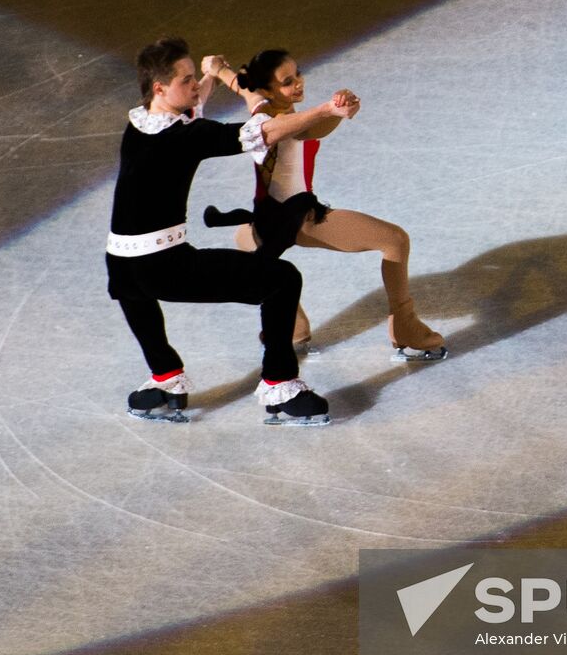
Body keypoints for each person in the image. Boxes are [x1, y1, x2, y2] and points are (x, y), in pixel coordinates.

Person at [106, 37, 359, 425]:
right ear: (161, 87)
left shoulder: (140, 121)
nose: (194, 86)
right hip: (163, 265)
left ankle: (165, 378)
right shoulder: (185, 138)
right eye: (186, 79)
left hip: (122, 265)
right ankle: (280, 384)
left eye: (194, 78)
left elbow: (188, 106)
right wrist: (325, 109)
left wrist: (209, 76)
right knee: (281, 279)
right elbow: (265, 132)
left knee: (142, 310)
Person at [201, 49, 446, 361]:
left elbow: (242, 85)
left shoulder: (258, 103)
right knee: (395, 240)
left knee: (243, 237)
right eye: (288, 81)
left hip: (264, 221)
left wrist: (218, 68)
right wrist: (334, 111)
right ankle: (406, 329)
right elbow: (310, 128)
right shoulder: (282, 121)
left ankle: (293, 329)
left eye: (297, 73)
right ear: (269, 89)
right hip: (297, 220)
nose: (299, 83)